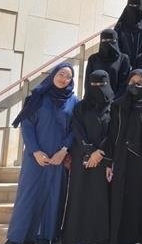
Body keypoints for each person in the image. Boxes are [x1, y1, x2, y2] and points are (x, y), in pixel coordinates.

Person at [7, 63, 76, 244]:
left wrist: (64, 150)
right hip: (35, 158)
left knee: (53, 198)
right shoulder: (37, 97)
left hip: (58, 160)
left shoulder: (73, 101)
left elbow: (75, 130)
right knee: (28, 197)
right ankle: (18, 238)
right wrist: (35, 151)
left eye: (68, 77)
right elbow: (27, 126)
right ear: (53, 75)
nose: (64, 79)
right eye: (61, 74)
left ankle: (46, 238)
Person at [62, 69, 113, 244]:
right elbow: (77, 129)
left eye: (102, 84)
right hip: (82, 157)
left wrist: (99, 153)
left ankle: (98, 237)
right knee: (79, 195)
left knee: (100, 198)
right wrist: (90, 151)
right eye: (94, 84)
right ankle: (76, 235)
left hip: (104, 158)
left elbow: (114, 133)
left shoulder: (114, 106)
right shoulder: (80, 106)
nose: (98, 87)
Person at [108, 69, 142, 244]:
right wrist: (110, 161)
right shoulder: (118, 105)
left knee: (139, 199)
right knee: (121, 197)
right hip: (121, 158)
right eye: (132, 82)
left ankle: (139, 237)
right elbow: (112, 133)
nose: (135, 86)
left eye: (139, 83)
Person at [88, 28, 131, 95]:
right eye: (104, 40)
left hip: (116, 101)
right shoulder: (93, 59)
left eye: (111, 40)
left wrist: (115, 101)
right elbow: (88, 82)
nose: (108, 43)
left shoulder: (123, 59)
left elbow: (124, 83)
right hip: (95, 101)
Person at [115, 0, 142, 64]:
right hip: (122, 65)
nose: (133, 8)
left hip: (141, 66)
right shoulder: (120, 26)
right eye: (131, 5)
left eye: (136, 5)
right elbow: (116, 45)